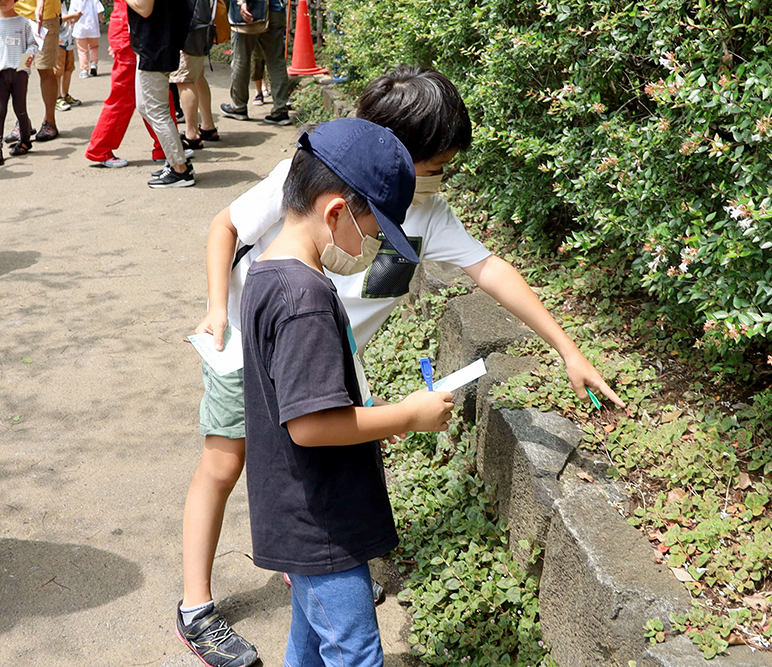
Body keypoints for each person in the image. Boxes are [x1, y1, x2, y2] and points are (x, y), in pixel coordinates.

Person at [176, 64, 625, 665]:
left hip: (327, 353)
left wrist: (568, 347)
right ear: (384, 157)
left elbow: (490, 270)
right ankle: (198, 604)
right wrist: (215, 309)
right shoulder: (315, 187)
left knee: (308, 468)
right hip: (249, 343)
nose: (441, 179)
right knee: (228, 461)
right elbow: (226, 225)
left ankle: (310, 568)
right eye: (434, 165)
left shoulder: (424, 213)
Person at [236, 117, 454, 667]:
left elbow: (304, 399)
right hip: (320, 524)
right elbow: (310, 426)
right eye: (375, 229)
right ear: (335, 212)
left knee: (310, 641)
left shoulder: (269, 273)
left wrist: (374, 416)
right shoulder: (303, 299)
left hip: (299, 508)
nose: (376, 244)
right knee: (355, 651)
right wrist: (407, 415)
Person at [83, 0, 164, 168]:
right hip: (131, 32)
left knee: (156, 90)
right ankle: (100, 148)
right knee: (126, 96)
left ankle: (166, 145)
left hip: (134, 30)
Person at [126, 0, 194, 187]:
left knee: (156, 111)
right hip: (155, 43)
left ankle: (180, 169)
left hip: (154, 45)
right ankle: (177, 160)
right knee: (145, 106)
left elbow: (145, 8)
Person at [219, 0, 290, 125]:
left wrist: (242, 2)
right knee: (276, 62)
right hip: (276, 10)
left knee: (241, 60)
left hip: (250, 12)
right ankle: (281, 109)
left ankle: (238, 106)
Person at [4, 0, 60, 144]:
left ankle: (49, 121)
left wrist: (40, 6)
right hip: (15, 15)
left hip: (43, 17)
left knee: (44, 67)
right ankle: (22, 123)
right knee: (19, 71)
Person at [171, 0, 217, 151]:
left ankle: (192, 134)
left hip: (186, 31)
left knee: (184, 80)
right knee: (197, 76)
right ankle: (208, 126)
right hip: (201, 29)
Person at [0, 0, 36, 163]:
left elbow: (33, 45)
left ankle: (25, 140)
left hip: (19, 72)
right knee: (0, 110)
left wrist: (26, 60)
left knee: (19, 107)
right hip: (1, 72)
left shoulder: (24, 22)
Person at [53, 1, 80, 111]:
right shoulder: (52, 3)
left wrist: (75, 18)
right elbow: (54, 21)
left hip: (68, 40)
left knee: (68, 68)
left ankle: (65, 94)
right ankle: (57, 97)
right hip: (58, 41)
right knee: (58, 71)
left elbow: (67, 20)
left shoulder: (63, 4)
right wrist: (72, 16)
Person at [68, 0, 100, 77]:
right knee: (93, 47)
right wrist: (102, 18)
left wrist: (71, 23)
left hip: (80, 29)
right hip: (93, 27)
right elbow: (100, 10)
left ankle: (84, 70)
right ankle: (93, 63)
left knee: (82, 50)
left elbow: (71, 14)